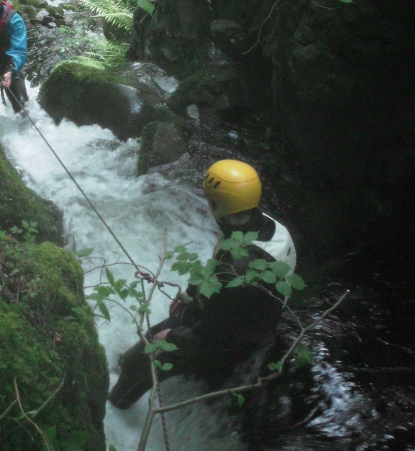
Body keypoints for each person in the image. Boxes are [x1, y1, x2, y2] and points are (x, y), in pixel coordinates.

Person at [108, 159, 297, 409]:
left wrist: (172, 336)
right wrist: (192, 290)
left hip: (228, 339)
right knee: (144, 346)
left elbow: (211, 336)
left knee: (138, 363)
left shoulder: (240, 271)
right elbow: (220, 263)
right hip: (243, 318)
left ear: (217, 203)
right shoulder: (262, 226)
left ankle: (114, 406)